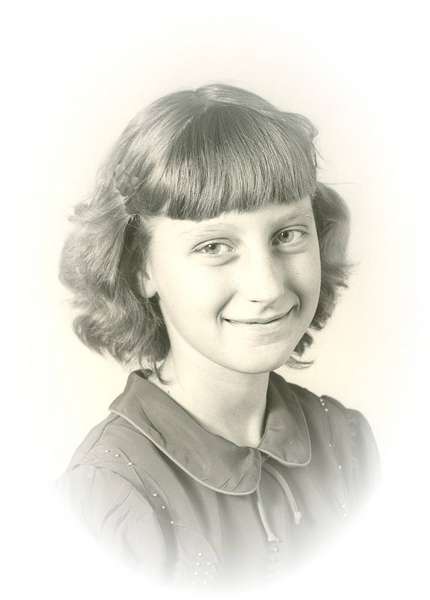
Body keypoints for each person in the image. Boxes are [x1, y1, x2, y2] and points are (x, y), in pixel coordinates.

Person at [57, 83, 380, 590]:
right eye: (214, 246)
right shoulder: (111, 494)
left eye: (287, 235)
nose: (267, 286)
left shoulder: (346, 442)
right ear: (141, 268)